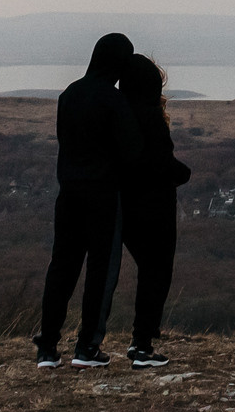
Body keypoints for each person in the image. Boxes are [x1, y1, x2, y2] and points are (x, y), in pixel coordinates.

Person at [33, 33, 143, 367]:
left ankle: (48, 348)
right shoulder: (114, 100)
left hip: (68, 194)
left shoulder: (69, 94)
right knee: (101, 271)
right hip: (103, 196)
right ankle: (87, 348)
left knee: (61, 268)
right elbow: (132, 153)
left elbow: (63, 141)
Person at [108, 52, 191, 368]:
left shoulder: (118, 113)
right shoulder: (150, 116)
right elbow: (159, 163)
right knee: (157, 271)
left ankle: (134, 342)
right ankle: (141, 344)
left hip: (124, 204)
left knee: (146, 269)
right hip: (154, 206)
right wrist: (182, 173)